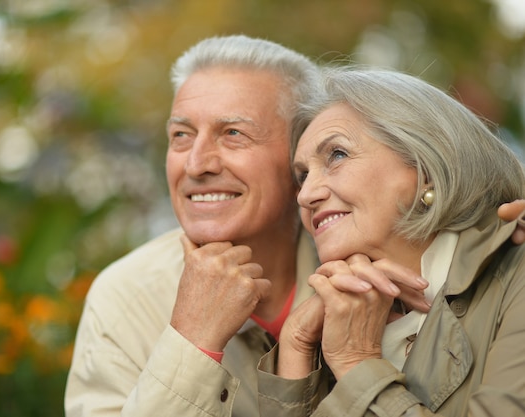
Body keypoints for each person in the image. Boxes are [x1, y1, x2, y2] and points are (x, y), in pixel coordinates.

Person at [64, 35, 525, 417]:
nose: (196, 163)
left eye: (233, 134)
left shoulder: (373, 256)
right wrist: (193, 344)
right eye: (180, 135)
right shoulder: (123, 296)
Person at [257, 66, 525, 416]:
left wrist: (357, 364)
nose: (305, 194)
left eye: (336, 155)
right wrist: (295, 351)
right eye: (302, 176)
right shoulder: (325, 325)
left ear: (426, 166)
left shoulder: (515, 276)